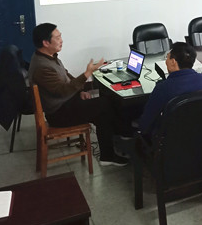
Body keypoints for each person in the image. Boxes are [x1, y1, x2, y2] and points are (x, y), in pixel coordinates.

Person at [28, 23, 128, 166]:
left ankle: (115, 145)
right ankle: (118, 141)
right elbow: (62, 90)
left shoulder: (49, 57)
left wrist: (80, 92)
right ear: (45, 42)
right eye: (57, 37)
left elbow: (66, 77)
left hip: (65, 104)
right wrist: (87, 73)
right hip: (59, 114)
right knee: (104, 105)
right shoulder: (42, 67)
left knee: (103, 106)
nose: (61, 40)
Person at [138, 42, 202, 135]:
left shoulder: (163, 88)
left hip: (171, 140)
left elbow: (146, 123)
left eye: (167, 58)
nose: (166, 61)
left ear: (173, 62)